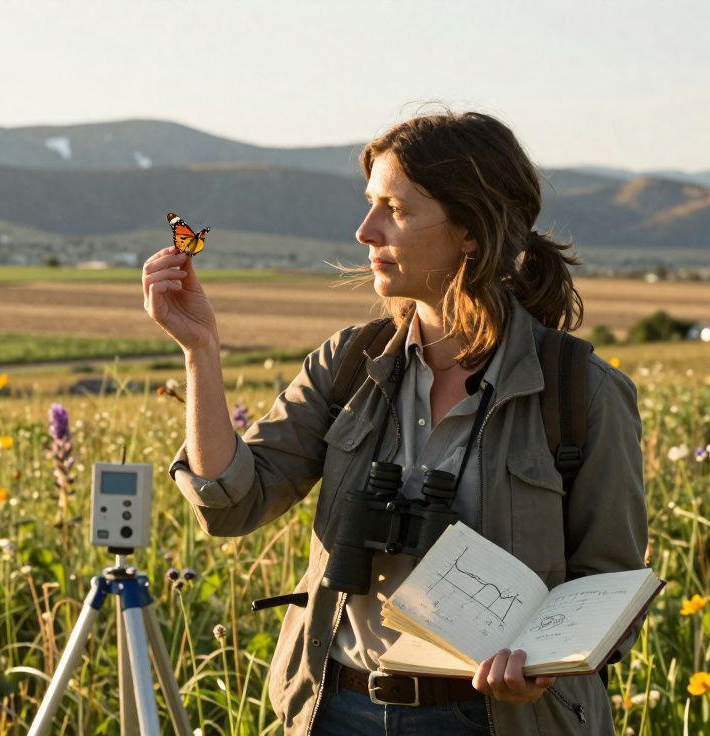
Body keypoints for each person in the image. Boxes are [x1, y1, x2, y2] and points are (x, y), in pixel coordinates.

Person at [141, 111, 647, 736]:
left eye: (395, 210)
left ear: (470, 229)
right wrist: (200, 351)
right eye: (368, 204)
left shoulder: (580, 393)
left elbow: (610, 585)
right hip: (333, 707)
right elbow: (232, 503)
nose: (363, 230)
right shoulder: (348, 363)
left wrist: (542, 663)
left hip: (496, 720)